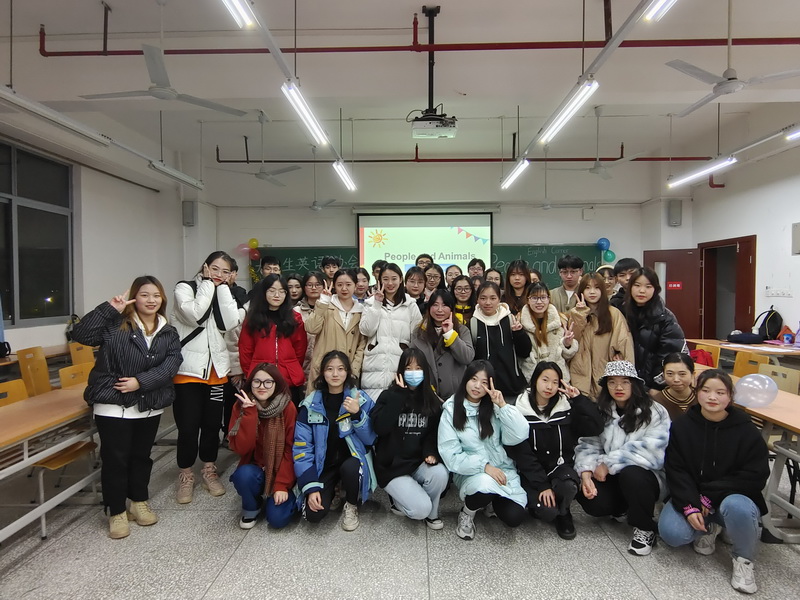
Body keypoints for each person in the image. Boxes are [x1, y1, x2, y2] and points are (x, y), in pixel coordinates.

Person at [71, 277, 182, 539]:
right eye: (144, 295)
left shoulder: (168, 331)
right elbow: (80, 335)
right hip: (113, 403)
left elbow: (172, 363)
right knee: (115, 458)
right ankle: (117, 511)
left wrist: (140, 382)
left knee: (141, 456)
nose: (151, 300)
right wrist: (109, 309)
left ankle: (138, 501)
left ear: (162, 299)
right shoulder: (115, 325)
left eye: (156, 295)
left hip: (148, 403)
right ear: (134, 297)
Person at [658, 369, 769, 595]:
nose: (712, 397)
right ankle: (710, 527)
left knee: (737, 507)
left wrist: (708, 497)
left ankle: (743, 560)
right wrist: (690, 505)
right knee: (672, 533)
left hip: (731, 496)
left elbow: (755, 475)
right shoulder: (682, 426)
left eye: (720, 392)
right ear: (696, 392)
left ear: (730, 396)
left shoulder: (746, 429)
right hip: (694, 495)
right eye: (706, 390)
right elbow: (676, 469)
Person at [574, 360, 671, 556]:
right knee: (590, 498)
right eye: (612, 382)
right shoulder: (601, 411)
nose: (618, 387)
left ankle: (645, 528)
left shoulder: (655, 411)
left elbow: (652, 451)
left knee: (632, 475)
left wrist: (609, 464)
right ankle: (623, 508)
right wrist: (585, 472)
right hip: (613, 477)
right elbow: (589, 443)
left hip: (647, 477)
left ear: (635, 384)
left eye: (625, 382)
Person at [172, 251, 241, 504]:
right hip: (188, 373)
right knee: (188, 427)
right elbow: (196, 315)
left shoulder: (225, 292)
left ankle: (209, 469)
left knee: (212, 426)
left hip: (216, 373)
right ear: (205, 267)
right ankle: (186, 474)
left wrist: (221, 289)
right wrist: (208, 284)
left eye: (225, 271)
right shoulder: (185, 288)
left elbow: (228, 324)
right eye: (215, 268)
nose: (219, 274)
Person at [505, 362, 603, 539]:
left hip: (560, 467)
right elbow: (522, 455)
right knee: (546, 512)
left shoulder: (566, 409)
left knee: (568, 486)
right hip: (531, 474)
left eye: (555, 382)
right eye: (545, 380)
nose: (549, 386)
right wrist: (542, 485)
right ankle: (545, 506)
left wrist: (579, 399)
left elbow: (596, 427)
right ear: (535, 380)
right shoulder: (519, 410)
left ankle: (564, 512)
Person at [438, 361, 530, 540]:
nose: (477, 386)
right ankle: (467, 512)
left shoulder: (494, 407)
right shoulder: (451, 410)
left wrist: (502, 406)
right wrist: (484, 467)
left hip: (503, 471)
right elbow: (451, 456)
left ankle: (491, 503)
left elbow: (520, 434)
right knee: (484, 487)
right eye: (474, 379)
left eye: (484, 382)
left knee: (514, 517)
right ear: (466, 379)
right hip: (470, 472)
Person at [293, 351, 376, 531]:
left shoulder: (360, 398)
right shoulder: (310, 405)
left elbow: (371, 438)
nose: (335, 374)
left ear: (348, 372)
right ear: (322, 372)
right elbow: (301, 449)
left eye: (341, 369)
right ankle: (334, 489)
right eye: (330, 369)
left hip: (353, 461)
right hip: (324, 465)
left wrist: (357, 415)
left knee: (351, 467)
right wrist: (310, 487)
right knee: (313, 515)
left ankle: (351, 505)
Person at [371, 348, 448, 529]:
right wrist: (398, 396)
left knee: (440, 474)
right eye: (408, 368)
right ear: (401, 371)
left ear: (425, 371)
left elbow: (433, 433)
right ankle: (399, 501)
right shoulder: (388, 396)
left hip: (417, 463)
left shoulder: (431, 400)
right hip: (392, 468)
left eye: (418, 368)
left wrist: (430, 452)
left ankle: (432, 513)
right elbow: (380, 428)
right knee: (419, 509)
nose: (413, 373)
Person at [228, 363, 297, 530]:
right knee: (243, 475)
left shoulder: (287, 407)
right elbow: (241, 449)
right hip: (256, 468)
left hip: (281, 470)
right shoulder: (241, 407)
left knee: (277, 520)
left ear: (276, 384)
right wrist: (250, 414)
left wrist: (281, 485)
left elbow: (290, 449)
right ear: (250, 383)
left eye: (268, 382)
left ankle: (287, 496)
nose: (262, 386)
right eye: (257, 381)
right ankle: (252, 506)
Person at [239, 275, 308, 404]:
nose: (277, 295)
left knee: (290, 414)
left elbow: (300, 349)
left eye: (282, 291)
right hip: (261, 380)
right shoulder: (253, 319)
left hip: (289, 378)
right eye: (272, 291)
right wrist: (253, 374)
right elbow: (245, 351)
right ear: (264, 292)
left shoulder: (295, 318)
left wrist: (291, 366)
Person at [359, 263, 423, 400]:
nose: (390, 283)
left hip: (400, 364)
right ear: (379, 280)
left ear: (400, 280)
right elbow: (366, 330)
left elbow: (417, 337)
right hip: (373, 366)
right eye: (385, 279)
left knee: (397, 405)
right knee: (372, 407)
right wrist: (377, 304)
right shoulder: (370, 303)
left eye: (394, 279)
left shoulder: (410, 305)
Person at [567, 273, 634, 399]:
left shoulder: (613, 314)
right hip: (580, 375)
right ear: (581, 291)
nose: (592, 292)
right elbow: (573, 342)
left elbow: (624, 344)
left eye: (597, 288)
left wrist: (622, 363)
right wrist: (580, 314)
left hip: (606, 374)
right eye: (587, 288)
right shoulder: (575, 314)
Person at [624, 267, 687, 391]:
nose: (642, 290)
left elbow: (671, 353)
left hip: (652, 385)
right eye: (637, 285)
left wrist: (653, 383)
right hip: (625, 381)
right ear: (630, 287)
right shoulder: (621, 312)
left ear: (655, 289)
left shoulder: (665, 318)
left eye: (648, 286)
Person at [304, 269, 366, 394]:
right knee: (318, 403)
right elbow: (311, 328)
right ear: (334, 286)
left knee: (345, 404)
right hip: (323, 369)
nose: (344, 288)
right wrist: (322, 303)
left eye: (348, 284)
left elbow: (362, 344)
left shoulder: (361, 310)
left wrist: (354, 369)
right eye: (339, 284)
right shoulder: (326, 305)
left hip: (346, 371)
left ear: (355, 285)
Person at [470, 281, 532, 404]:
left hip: (512, 388)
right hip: (484, 391)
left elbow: (525, 352)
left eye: (493, 298)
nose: (488, 302)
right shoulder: (473, 324)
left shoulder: (510, 319)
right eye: (483, 298)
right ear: (477, 300)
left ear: (499, 299)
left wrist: (518, 333)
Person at [411, 289, 475, 400]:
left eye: (444, 305)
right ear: (429, 307)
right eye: (435, 305)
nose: (439, 310)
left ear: (451, 308)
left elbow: (467, 357)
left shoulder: (462, 330)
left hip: (454, 395)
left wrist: (450, 335)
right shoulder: (419, 332)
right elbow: (412, 360)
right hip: (426, 394)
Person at [518, 281, 578, 383]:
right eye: (534, 298)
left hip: (558, 379)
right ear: (528, 300)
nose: (539, 302)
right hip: (531, 379)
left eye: (543, 297)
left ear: (548, 299)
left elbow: (568, 356)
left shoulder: (560, 321)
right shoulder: (520, 323)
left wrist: (567, 344)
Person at [651, 352, 698, 420]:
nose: (676, 379)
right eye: (670, 374)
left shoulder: (701, 397)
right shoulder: (656, 401)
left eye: (682, 374)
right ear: (663, 375)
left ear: (692, 375)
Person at [294, 271, 323, 376]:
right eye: (309, 285)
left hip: (324, 362)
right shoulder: (296, 311)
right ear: (304, 287)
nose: (313, 288)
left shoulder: (330, 310)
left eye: (317, 285)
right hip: (302, 362)